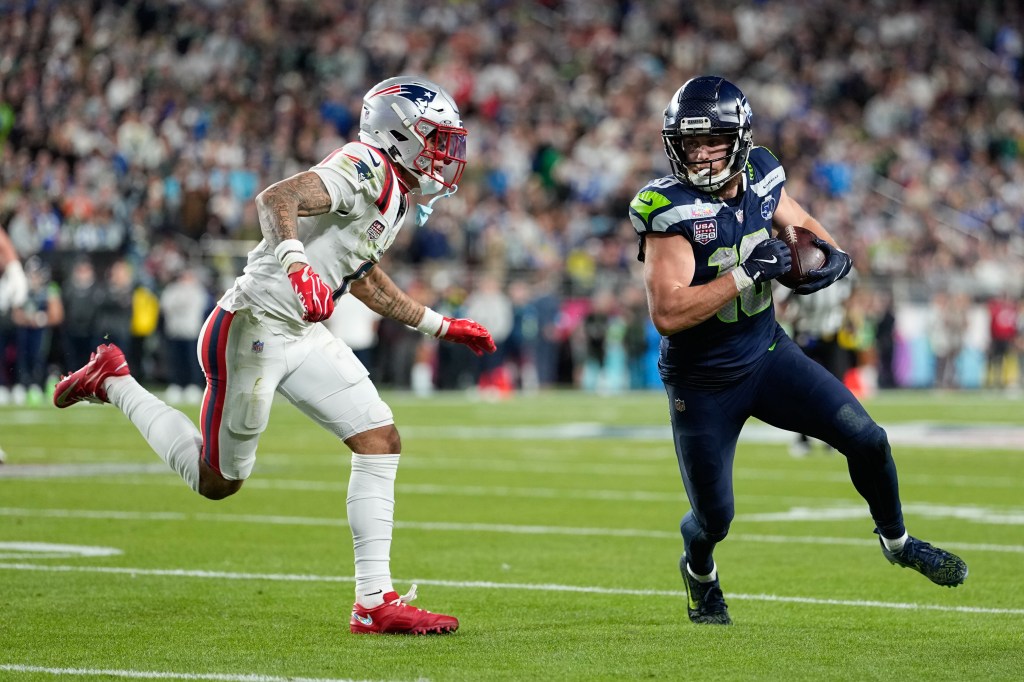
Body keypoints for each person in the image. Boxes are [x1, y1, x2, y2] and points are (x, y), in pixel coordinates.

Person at [53, 76, 496, 635]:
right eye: (435, 139)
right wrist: (296, 264)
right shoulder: (365, 165)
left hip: (301, 331)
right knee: (217, 481)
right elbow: (276, 198)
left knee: (379, 438)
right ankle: (114, 381)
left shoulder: (397, 193)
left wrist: (440, 325)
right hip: (254, 325)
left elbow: (361, 276)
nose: (444, 155)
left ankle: (373, 602)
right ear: (400, 133)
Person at [628, 76, 967, 626]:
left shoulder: (761, 173)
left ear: (740, 140)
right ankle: (699, 572)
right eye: (690, 143)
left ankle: (898, 542)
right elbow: (668, 312)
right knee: (714, 519)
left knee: (868, 439)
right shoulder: (669, 208)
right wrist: (746, 274)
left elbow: (803, 222)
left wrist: (830, 255)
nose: (701, 154)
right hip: (702, 382)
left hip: (766, 355)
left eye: (713, 141)